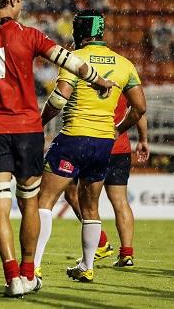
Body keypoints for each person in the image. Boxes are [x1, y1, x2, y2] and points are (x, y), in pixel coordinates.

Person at [0, 0, 116, 297]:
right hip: (28, 130)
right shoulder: (29, 35)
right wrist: (99, 81)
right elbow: (71, 61)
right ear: (14, 0)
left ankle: (12, 276)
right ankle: (29, 273)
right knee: (29, 202)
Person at [34, 9, 146, 283]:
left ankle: (33, 266)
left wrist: (38, 122)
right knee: (91, 206)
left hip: (73, 137)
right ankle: (86, 266)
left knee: (43, 201)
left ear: (79, 32)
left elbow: (61, 97)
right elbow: (140, 107)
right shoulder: (124, 64)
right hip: (104, 143)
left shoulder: (75, 58)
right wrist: (118, 128)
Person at [61, 95, 149, 268]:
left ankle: (101, 243)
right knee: (120, 201)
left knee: (78, 196)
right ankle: (126, 254)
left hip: (90, 144)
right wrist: (143, 139)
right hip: (119, 148)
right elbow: (139, 109)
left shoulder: (87, 74)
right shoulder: (124, 75)